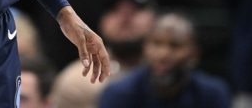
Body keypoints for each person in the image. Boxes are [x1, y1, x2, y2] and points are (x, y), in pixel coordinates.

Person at [52, 0, 156, 108]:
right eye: (115, 9)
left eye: (135, 9)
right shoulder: (78, 80)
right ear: (102, 21)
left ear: (154, 18)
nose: (125, 17)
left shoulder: (166, 74)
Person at [98, 12, 230, 108]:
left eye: (175, 46)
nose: (163, 54)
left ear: (194, 54)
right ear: (144, 48)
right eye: (156, 44)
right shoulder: (119, 93)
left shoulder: (212, 94)